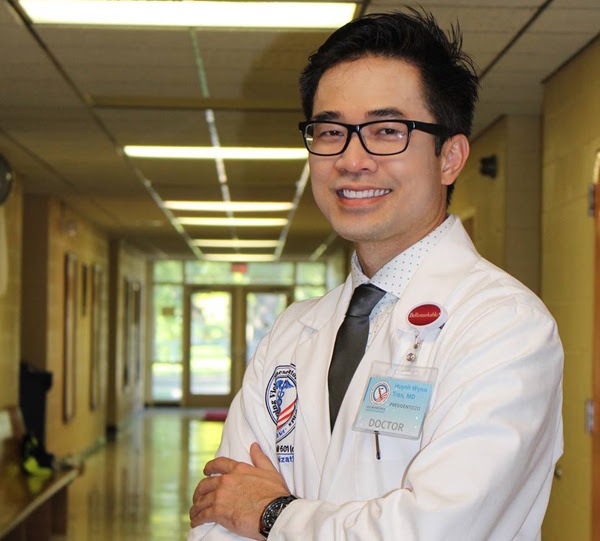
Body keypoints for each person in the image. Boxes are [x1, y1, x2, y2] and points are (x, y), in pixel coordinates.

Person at [188, 8, 563, 541]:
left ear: (450, 157)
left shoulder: (505, 326)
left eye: (387, 131)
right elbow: (220, 516)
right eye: (330, 131)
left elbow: (433, 530)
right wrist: (251, 511)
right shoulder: (293, 333)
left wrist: (273, 515)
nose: (352, 159)